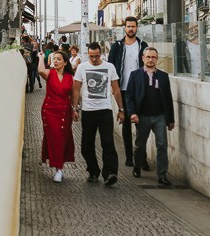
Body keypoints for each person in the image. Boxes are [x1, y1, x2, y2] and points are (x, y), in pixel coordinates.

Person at [74, 42, 125, 186]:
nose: (94, 59)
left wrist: (121, 110)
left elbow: (116, 89)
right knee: (86, 144)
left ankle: (110, 173)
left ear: (101, 54)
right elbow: (76, 88)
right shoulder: (82, 67)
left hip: (105, 110)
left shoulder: (110, 67)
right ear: (88, 55)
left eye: (96, 56)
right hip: (88, 111)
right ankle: (93, 170)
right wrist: (75, 108)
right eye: (91, 57)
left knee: (108, 142)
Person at [125, 47, 176, 186]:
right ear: (143, 58)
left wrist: (170, 119)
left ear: (157, 59)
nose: (150, 60)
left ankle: (162, 175)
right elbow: (129, 96)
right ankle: (137, 166)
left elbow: (168, 98)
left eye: (153, 57)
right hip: (143, 116)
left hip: (159, 116)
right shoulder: (135, 75)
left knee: (162, 145)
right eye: (148, 57)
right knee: (140, 145)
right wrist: (133, 113)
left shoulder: (163, 77)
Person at [106, 16, 149, 168]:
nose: (131, 29)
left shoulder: (142, 45)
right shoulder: (117, 46)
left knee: (141, 125)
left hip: (140, 90)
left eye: (133, 26)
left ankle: (142, 158)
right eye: (128, 26)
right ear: (124, 28)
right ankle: (129, 157)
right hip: (123, 89)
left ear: (137, 28)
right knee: (125, 124)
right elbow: (110, 66)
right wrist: (113, 86)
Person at [36, 49, 77, 182]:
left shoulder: (70, 77)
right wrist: (41, 58)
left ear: (65, 62)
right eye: (55, 59)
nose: (56, 61)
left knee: (62, 138)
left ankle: (60, 166)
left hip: (65, 112)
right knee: (55, 137)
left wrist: (76, 109)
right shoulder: (50, 73)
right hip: (49, 111)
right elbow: (41, 71)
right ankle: (59, 168)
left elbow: (74, 95)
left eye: (59, 59)